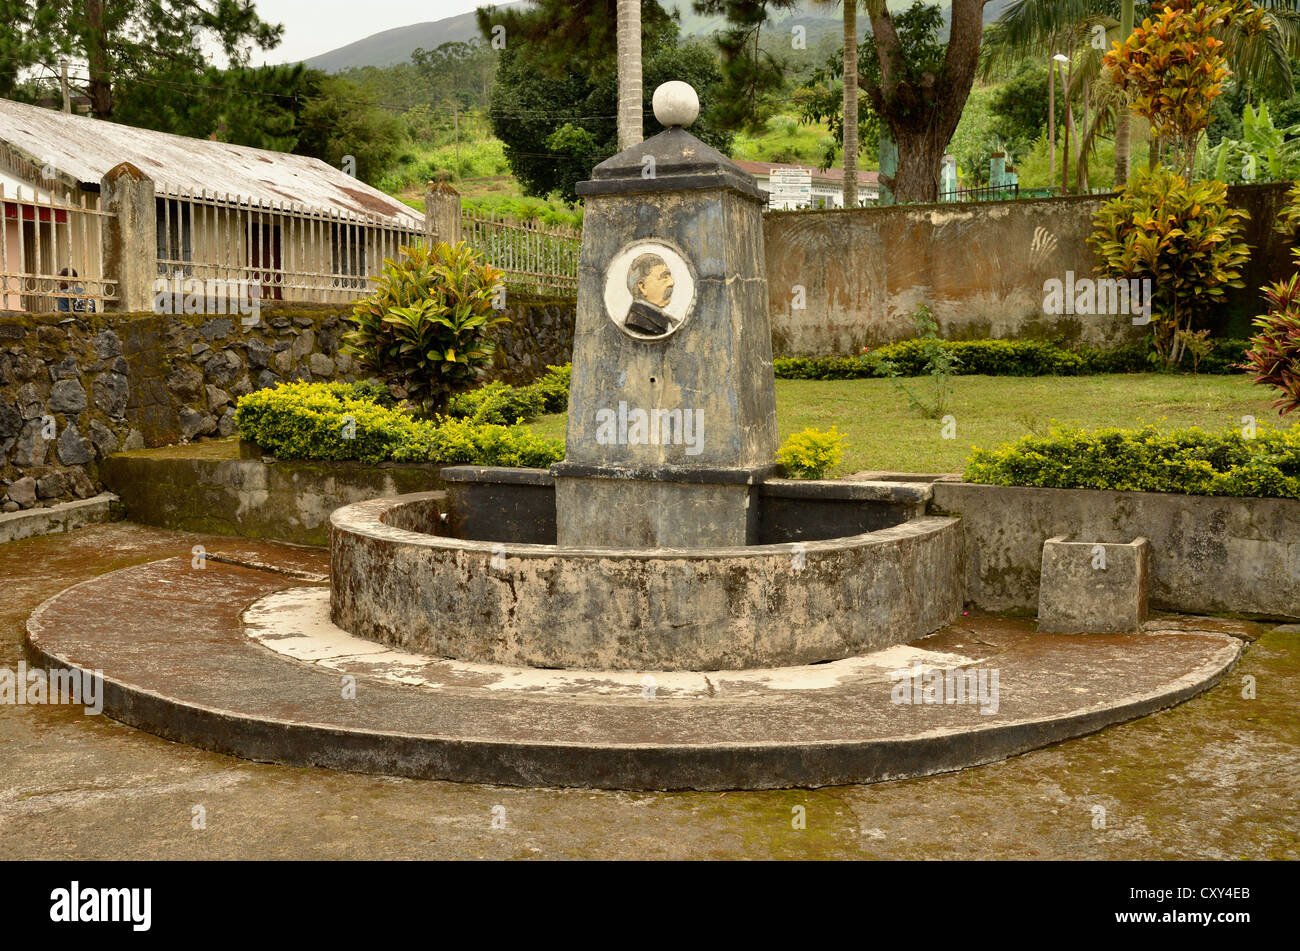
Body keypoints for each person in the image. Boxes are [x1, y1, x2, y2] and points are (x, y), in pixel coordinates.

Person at [623, 253, 675, 336]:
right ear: (642, 287)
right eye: (664, 277)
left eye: (669, 277)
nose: (672, 282)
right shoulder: (637, 324)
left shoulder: (668, 321)